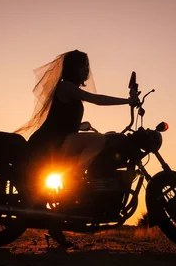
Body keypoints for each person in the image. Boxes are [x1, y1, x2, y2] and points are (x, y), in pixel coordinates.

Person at [15, 49, 138, 247]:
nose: (87, 70)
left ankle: (59, 221)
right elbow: (98, 100)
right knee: (99, 140)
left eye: (87, 66)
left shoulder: (69, 90)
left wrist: (80, 126)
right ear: (74, 68)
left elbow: (62, 120)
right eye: (83, 66)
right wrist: (127, 101)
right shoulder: (66, 87)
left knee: (100, 140)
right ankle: (78, 176)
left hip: (58, 140)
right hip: (51, 143)